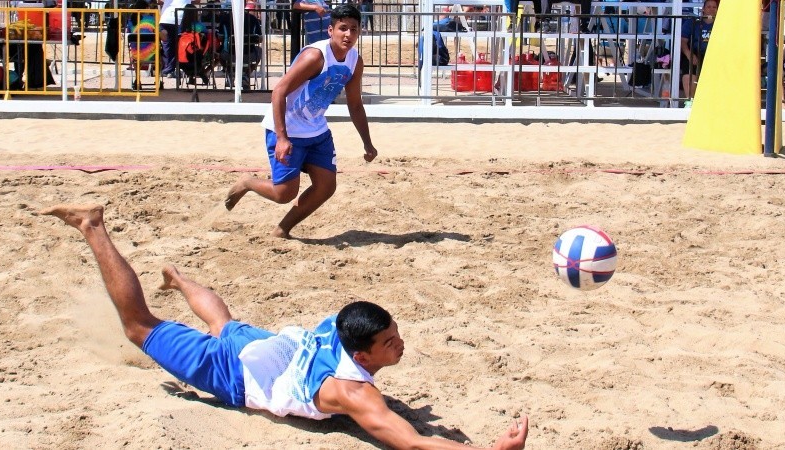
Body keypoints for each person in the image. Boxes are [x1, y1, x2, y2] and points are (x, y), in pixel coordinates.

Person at [39, 203, 530, 450]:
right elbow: (417, 444)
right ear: (359, 355)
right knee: (138, 327)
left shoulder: (341, 328)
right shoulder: (355, 393)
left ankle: (179, 278)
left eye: (396, 333)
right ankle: (93, 227)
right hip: (238, 373)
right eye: (389, 342)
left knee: (222, 321)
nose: (401, 345)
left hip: (276, 348)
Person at [225, 4, 378, 239]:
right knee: (283, 194)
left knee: (326, 186)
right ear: (330, 30)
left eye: (354, 29)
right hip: (287, 128)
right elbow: (278, 92)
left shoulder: (355, 61)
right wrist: (282, 138)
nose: (348, 34)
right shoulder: (315, 56)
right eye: (343, 28)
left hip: (316, 130)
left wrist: (367, 143)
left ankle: (282, 229)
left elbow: (355, 104)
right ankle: (246, 182)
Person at [680, 0, 718, 99]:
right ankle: (690, 102)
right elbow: (683, 41)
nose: (711, 9)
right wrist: (689, 54)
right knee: (689, 76)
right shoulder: (692, 22)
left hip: (715, 55)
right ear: (703, 9)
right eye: (709, 7)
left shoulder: (722, 25)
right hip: (695, 53)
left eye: (714, 7)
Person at [158, 0, 196, 77]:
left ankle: (168, 69)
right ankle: (174, 68)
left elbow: (159, 1)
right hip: (181, 17)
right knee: (179, 44)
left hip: (166, 18)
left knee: (167, 45)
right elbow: (197, 1)